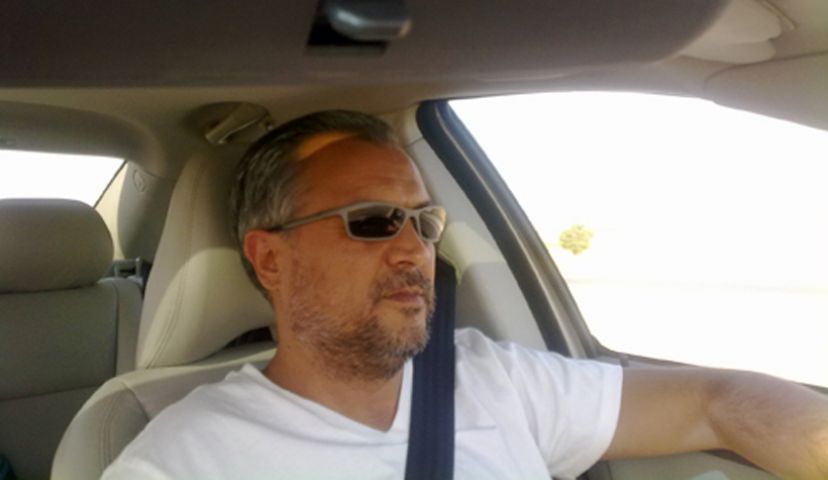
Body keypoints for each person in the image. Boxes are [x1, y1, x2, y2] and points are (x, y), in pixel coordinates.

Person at [103, 110, 828, 479]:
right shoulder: (180, 460)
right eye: (373, 221)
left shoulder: (494, 377)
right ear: (270, 258)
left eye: (424, 222)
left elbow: (717, 400)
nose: (414, 250)